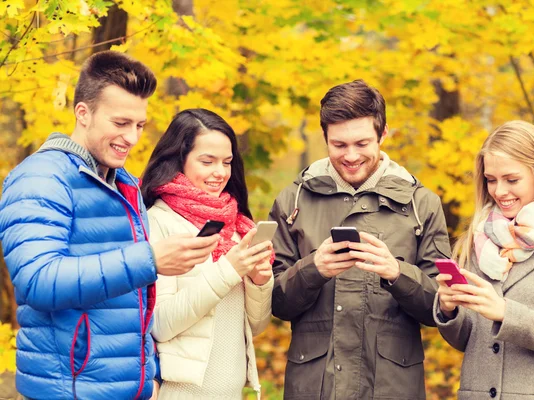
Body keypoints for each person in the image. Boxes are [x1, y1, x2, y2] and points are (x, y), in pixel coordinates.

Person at [0, 51, 220, 400]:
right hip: (67, 391)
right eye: (121, 123)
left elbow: (136, 304)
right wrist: (148, 260)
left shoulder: (125, 184)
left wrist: (151, 376)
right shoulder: (40, 178)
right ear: (83, 114)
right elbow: (38, 281)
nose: (132, 138)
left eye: (139, 125)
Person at [269, 79, 452, 399]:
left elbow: (441, 307)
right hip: (314, 387)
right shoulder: (292, 201)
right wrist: (314, 269)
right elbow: (275, 302)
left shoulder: (421, 204)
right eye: (339, 145)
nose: (351, 156)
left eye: (362, 143)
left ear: (383, 134)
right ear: (324, 137)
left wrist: (397, 273)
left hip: (392, 387)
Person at [434, 120, 534, 399]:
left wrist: (504, 312)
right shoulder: (474, 242)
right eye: (491, 180)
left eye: (512, 180)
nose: (499, 191)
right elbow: (467, 341)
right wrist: (449, 310)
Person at [140, 108, 274, 400]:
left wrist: (259, 282)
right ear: (179, 159)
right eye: (207, 161)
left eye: (227, 162)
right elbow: (160, 325)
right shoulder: (157, 222)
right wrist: (228, 270)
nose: (220, 173)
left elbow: (256, 327)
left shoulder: (236, 225)